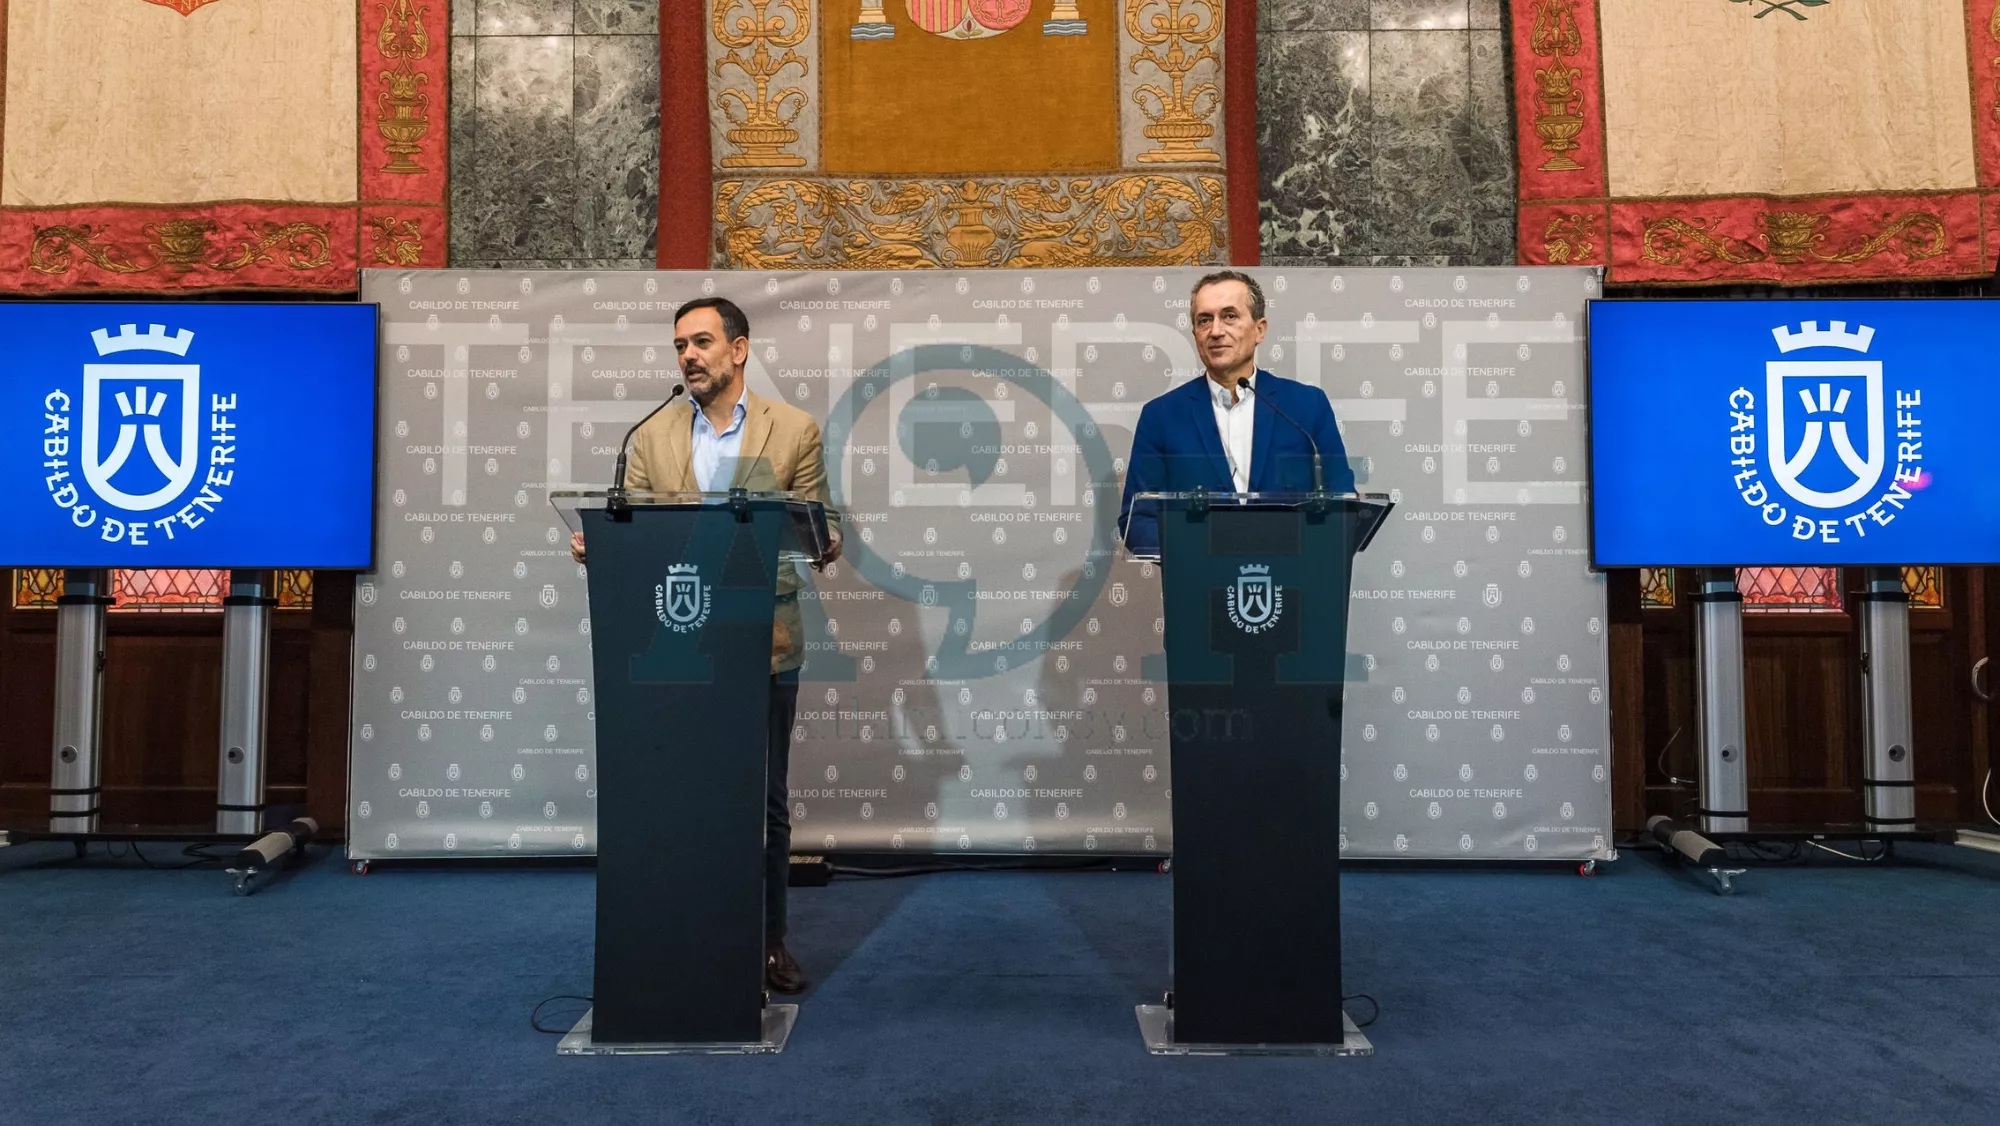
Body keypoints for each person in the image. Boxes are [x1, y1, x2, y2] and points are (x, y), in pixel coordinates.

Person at [571, 295, 840, 995]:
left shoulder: (795, 430)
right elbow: (629, 525)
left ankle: (768, 939)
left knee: (765, 800)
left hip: (764, 640)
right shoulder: (652, 436)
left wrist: (825, 537)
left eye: (701, 343)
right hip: (676, 642)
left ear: (739, 349)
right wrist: (597, 543)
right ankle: (684, 933)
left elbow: (820, 525)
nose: (688, 356)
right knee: (681, 793)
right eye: (679, 347)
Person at [1117, 269, 1357, 557]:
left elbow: (1342, 503)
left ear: (1260, 329)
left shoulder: (1306, 406)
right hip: (1200, 591)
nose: (1216, 331)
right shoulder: (1161, 416)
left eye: (1230, 316)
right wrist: (1203, 554)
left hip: (1294, 586)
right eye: (1204, 320)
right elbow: (1137, 521)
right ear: (1195, 333)